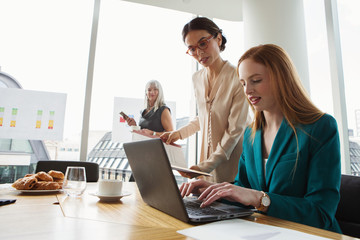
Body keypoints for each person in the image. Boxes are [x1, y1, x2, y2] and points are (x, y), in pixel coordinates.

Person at [179, 44, 342, 233]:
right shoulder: (251, 134)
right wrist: (213, 189)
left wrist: (260, 199)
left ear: (282, 79)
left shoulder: (320, 127)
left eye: (255, 80)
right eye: (242, 83)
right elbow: (243, 188)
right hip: (264, 231)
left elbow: (321, 213)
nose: (247, 90)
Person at [160, 17, 250, 183]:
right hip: (206, 170)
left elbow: (235, 130)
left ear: (218, 39)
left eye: (203, 43)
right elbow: (204, 117)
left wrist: (207, 166)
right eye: (192, 49)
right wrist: (178, 134)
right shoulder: (197, 78)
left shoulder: (238, 76)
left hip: (234, 169)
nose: (199, 53)